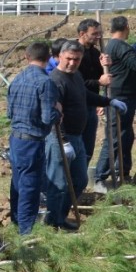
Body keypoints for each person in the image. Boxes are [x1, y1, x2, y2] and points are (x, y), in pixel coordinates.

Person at [48, 42, 125, 229]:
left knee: (80, 179)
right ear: (60, 57)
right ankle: (53, 221)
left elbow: (86, 96)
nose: (73, 63)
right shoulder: (55, 81)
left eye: (77, 59)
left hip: (77, 137)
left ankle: (60, 216)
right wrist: (63, 141)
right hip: (60, 138)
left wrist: (109, 101)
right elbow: (52, 115)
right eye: (69, 59)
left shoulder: (76, 75)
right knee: (59, 182)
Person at [7, 42, 59, 235]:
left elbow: (9, 113)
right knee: (30, 186)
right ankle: (26, 230)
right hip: (32, 141)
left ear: (27, 57)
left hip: (15, 138)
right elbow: (47, 118)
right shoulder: (46, 82)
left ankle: (16, 219)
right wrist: (58, 112)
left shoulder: (17, 79)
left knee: (18, 181)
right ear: (49, 58)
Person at [94, 16, 136, 192]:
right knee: (114, 137)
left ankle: (123, 172)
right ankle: (99, 177)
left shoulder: (111, 46)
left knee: (126, 136)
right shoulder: (120, 46)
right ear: (126, 27)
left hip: (123, 96)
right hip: (120, 98)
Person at [76, 18, 111, 170]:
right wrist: (99, 82)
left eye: (100, 33)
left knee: (88, 148)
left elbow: (102, 76)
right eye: (94, 33)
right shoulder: (74, 53)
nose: (99, 37)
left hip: (91, 106)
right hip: (77, 106)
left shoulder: (95, 52)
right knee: (76, 146)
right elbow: (76, 84)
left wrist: (107, 65)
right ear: (83, 34)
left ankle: (80, 183)